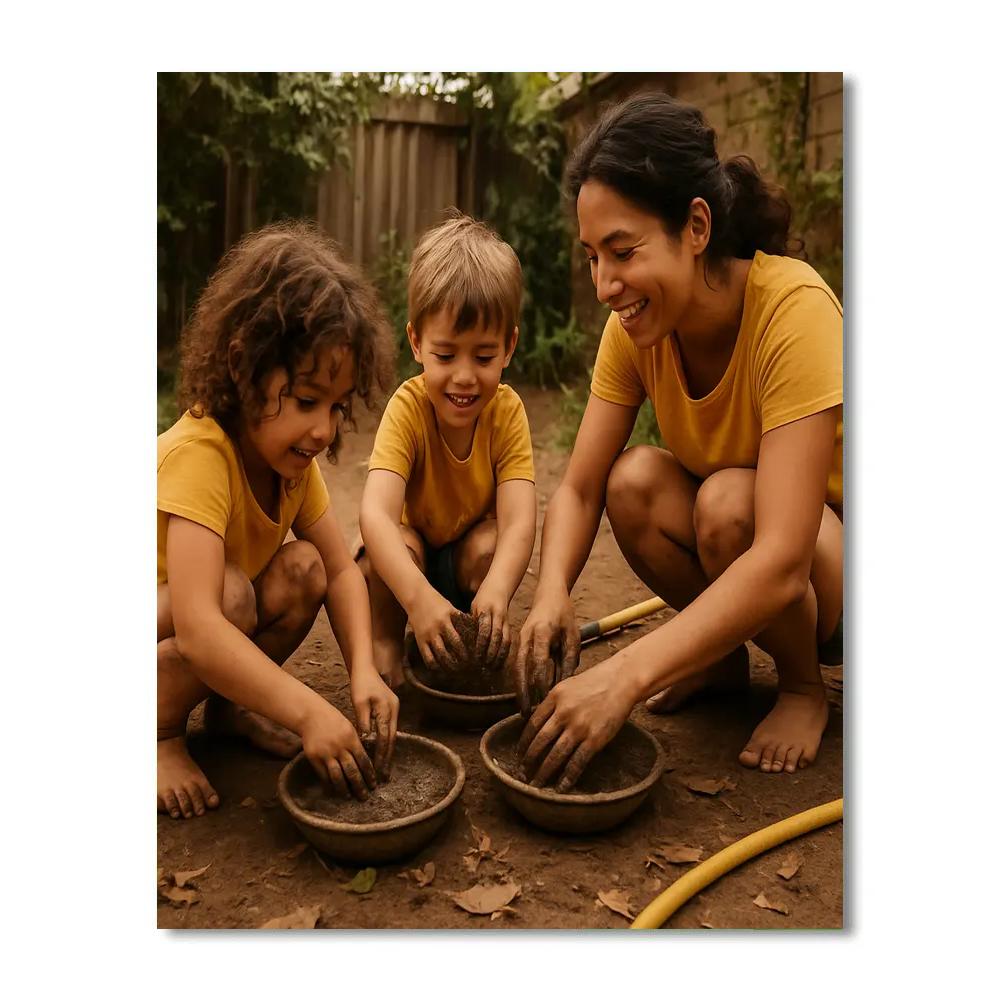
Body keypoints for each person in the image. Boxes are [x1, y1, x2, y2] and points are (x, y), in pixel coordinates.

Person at [514, 92, 843, 790]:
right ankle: (716, 661)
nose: (605, 284)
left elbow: (784, 556)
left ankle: (801, 688)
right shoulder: (635, 329)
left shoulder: (794, 310)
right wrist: (550, 597)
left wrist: (624, 676)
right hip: (752, 556)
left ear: (696, 226)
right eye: (592, 257)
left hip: (834, 576)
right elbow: (579, 487)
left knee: (725, 504)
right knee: (631, 481)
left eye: (622, 251)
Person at [157, 222, 400, 820]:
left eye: (337, 407)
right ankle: (156, 733)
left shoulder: (288, 462)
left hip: (190, 628)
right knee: (230, 597)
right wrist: (308, 710)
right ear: (243, 367)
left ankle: (225, 708)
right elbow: (196, 629)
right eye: (306, 400)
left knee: (306, 568)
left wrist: (364, 669)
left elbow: (343, 572)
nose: (323, 429)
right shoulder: (200, 456)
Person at [358, 213, 536, 688]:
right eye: (445, 355)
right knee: (386, 548)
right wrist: (416, 599)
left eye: (483, 357)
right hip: (406, 569)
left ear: (509, 346)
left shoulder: (507, 412)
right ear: (415, 341)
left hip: (465, 563)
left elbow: (520, 521)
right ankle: (388, 643)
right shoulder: (407, 408)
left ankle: (471, 629)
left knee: (493, 544)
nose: (463, 376)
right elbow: (375, 516)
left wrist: (498, 589)